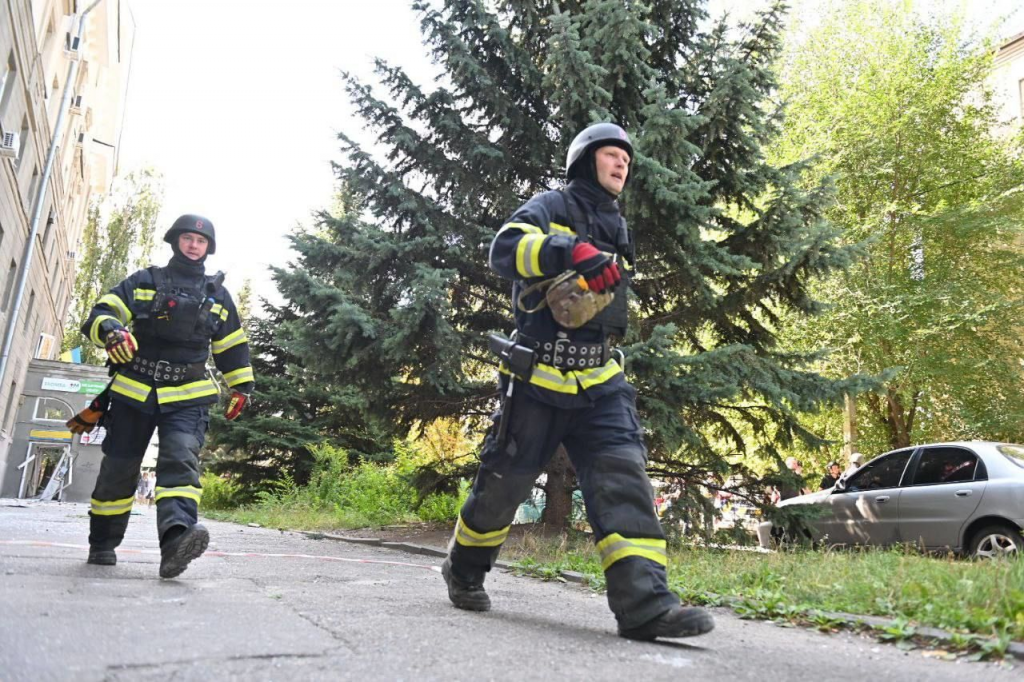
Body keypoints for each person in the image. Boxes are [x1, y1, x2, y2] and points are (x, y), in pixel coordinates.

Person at [440, 123, 714, 641]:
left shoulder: (617, 225)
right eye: (611, 156)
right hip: (538, 378)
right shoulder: (552, 204)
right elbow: (504, 249)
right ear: (586, 161)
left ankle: (646, 607)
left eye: (627, 161)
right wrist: (568, 250)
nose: (621, 166)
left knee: (624, 479)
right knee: (504, 488)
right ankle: (464, 569)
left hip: (601, 381)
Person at [81, 214, 254, 578]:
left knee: (180, 461)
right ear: (175, 240)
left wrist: (242, 386)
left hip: (189, 395)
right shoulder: (145, 280)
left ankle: (177, 541)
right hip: (133, 391)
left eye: (201, 241)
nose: (194, 245)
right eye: (188, 238)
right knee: (118, 468)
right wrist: (111, 328)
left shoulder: (218, 296)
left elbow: (232, 345)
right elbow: (103, 310)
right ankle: (102, 543)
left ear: (209, 247)